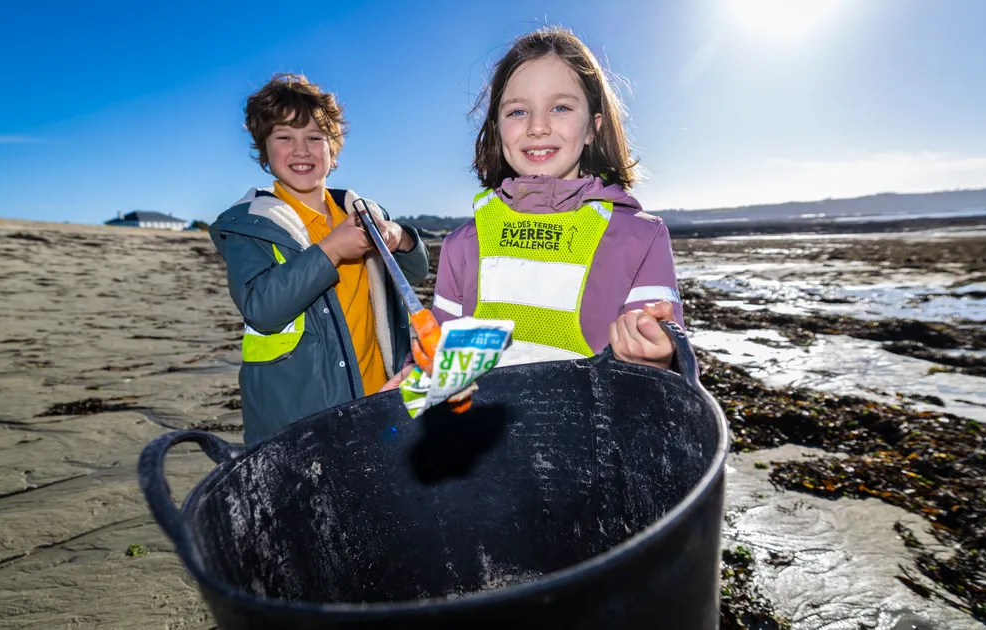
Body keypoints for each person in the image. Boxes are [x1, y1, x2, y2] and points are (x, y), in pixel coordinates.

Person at [383, 26, 683, 391]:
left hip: (596, 444)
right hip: (486, 445)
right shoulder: (463, 243)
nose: (538, 127)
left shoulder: (641, 237)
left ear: (593, 127)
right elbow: (442, 363)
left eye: (561, 107)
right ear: (496, 129)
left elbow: (667, 373)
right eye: (518, 111)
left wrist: (657, 357)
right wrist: (413, 386)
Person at [209, 73, 429, 443]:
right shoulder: (252, 223)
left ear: (334, 149)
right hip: (301, 415)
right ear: (264, 150)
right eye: (284, 137)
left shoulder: (358, 210)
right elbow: (261, 306)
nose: (301, 150)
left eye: (315, 137)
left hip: (384, 391)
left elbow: (414, 271)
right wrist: (332, 250)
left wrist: (400, 237)